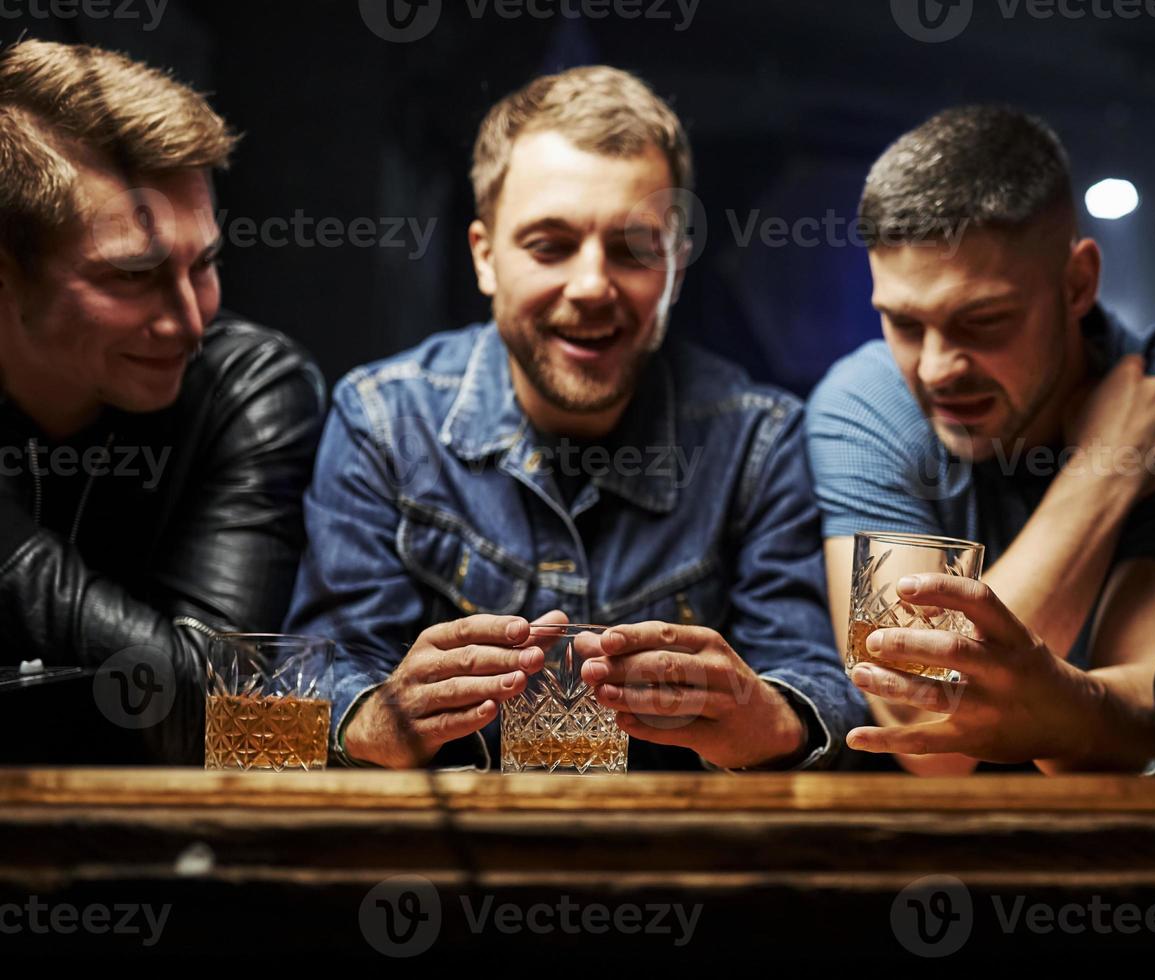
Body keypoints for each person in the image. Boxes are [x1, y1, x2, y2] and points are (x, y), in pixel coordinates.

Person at [283, 66, 863, 771]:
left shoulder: (758, 440)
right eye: (549, 245)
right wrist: (372, 715)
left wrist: (769, 714)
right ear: (485, 257)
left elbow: (815, 683)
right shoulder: (380, 417)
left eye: (633, 249)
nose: (591, 286)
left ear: (677, 266)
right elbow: (316, 677)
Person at [806, 106, 1155, 774]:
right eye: (903, 324)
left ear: (1077, 283)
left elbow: (1137, 735)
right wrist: (1103, 470)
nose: (935, 369)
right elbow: (924, 725)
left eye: (982, 321)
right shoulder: (863, 403)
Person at [0, 40, 324, 763]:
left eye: (204, 264)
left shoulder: (249, 386)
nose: (189, 321)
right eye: (133, 275)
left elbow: (215, 709)